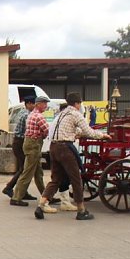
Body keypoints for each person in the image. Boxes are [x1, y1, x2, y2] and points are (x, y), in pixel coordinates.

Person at [34, 92, 111, 220]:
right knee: (76, 179)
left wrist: (77, 133)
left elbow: (70, 130)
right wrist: (103, 135)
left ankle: (41, 206)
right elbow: (89, 132)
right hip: (65, 149)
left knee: (56, 179)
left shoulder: (61, 114)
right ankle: (81, 210)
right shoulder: (75, 114)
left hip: (53, 147)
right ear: (77, 103)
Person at [10, 95, 50, 206]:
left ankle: (46, 196)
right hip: (34, 144)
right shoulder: (38, 116)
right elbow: (48, 131)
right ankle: (16, 197)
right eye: (44, 103)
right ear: (38, 104)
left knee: (38, 172)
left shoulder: (31, 114)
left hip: (29, 143)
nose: (46, 106)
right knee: (27, 172)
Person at [2, 96, 35, 197]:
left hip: (19, 142)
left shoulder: (23, 112)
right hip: (20, 142)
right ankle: (9, 188)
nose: (35, 106)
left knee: (24, 168)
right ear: (28, 104)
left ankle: (22, 191)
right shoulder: (27, 115)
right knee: (24, 168)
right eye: (34, 104)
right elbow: (29, 131)